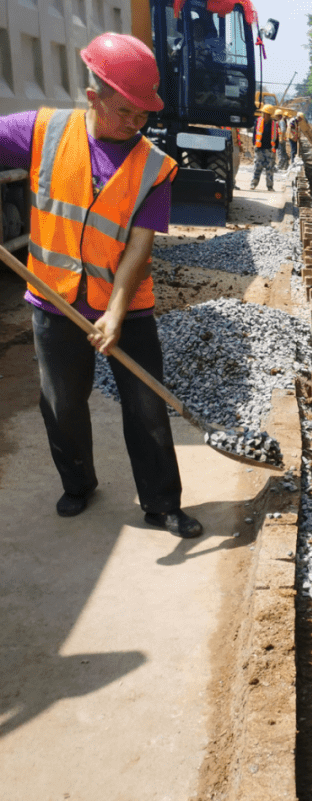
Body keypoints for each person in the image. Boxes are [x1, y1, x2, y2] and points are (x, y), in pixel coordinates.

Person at [0, 33, 202, 538]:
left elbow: (138, 247)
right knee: (61, 403)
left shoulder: (154, 165)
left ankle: (160, 503)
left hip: (126, 308)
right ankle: (78, 483)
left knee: (147, 406)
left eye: (143, 115)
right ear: (93, 98)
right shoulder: (42, 131)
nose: (135, 124)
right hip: (53, 301)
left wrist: (114, 313)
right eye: (124, 112)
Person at [250, 103, 276, 190]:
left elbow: (276, 138)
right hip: (260, 149)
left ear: (270, 115)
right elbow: (255, 134)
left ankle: (270, 186)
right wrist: (254, 144)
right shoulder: (258, 121)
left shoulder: (274, 124)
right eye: (264, 113)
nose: (265, 115)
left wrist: (274, 148)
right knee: (257, 167)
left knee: (270, 170)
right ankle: (253, 184)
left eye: (267, 114)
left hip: (269, 150)